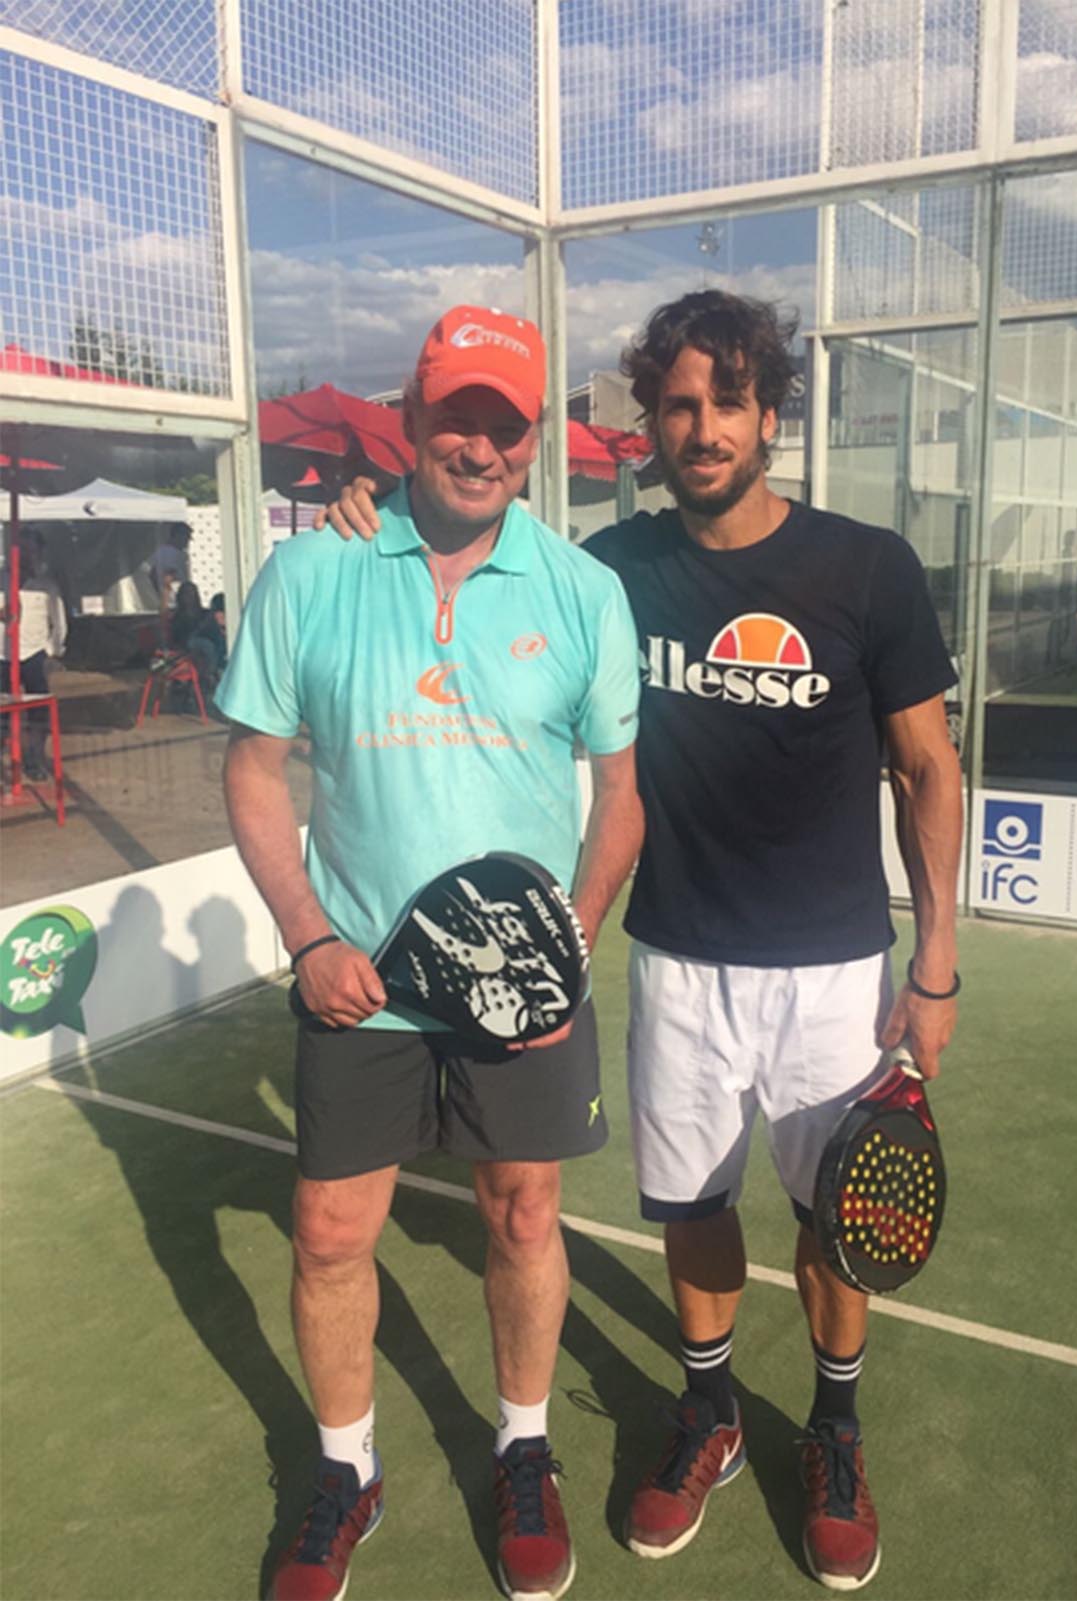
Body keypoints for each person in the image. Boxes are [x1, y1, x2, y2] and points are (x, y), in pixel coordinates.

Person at [322, 289, 962, 1592]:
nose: (703, 425)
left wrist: (937, 961)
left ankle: (834, 1427)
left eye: (729, 401)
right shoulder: (610, 574)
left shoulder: (867, 568)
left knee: (832, 1217)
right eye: (678, 402)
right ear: (649, 422)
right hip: (674, 957)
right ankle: (712, 1410)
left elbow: (928, 772)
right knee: (696, 1210)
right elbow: (469, 596)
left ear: (770, 414)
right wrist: (366, 525)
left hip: (834, 967)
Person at [217, 304, 643, 1601]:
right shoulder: (314, 571)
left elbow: (620, 798)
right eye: (456, 414)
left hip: (523, 992)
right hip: (363, 987)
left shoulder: (584, 591)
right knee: (334, 1232)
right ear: (410, 419)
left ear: (530, 442)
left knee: (524, 1212)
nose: (479, 444)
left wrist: (563, 942)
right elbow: (251, 767)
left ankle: (523, 1448)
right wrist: (307, 934)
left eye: (504, 423)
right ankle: (346, 1468)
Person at [0, 531, 68, 780]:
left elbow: (58, 619)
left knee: (39, 711)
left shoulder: (46, 586)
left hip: (34, 653)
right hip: (2, 654)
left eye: (31, 552)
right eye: (22, 551)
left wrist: (54, 650)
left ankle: (34, 758)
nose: (27, 557)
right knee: (2, 711)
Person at [167, 580, 226, 697]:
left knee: (215, 642)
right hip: (188, 648)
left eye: (192, 593)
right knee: (203, 644)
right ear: (181, 597)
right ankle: (211, 673)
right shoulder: (177, 618)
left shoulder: (204, 613)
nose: (189, 597)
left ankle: (219, 668)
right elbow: (178, 640)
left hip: (208, 644)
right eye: (186, 594)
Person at [149, 524, 190, 601]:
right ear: (178, 535)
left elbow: (152, 574)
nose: (188, 541)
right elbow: (168, 577)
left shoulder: (163, 551)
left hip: (170, 599)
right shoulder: (171, 553)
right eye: (187, 537)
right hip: (175, 600)